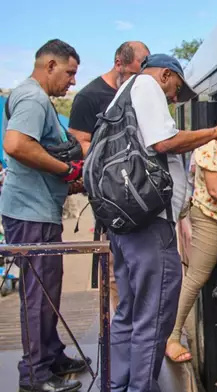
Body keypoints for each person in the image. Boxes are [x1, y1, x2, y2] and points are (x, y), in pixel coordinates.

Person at [103, 53, 217, 392]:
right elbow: (164, 142)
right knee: (154, 316)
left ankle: (120, 383)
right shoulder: (148, 86)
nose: (173, 99)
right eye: (175, 91)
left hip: (126, 225)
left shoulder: (123, 93)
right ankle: (141, 387)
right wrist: (213, 132)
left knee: (129, 310)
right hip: (151, 226)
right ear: (166, 75)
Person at [1, 39, 86, 392]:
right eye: (69, 73)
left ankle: (51, 355)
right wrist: (65, 169)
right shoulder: (34, 98)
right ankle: (34, 374)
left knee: (48, 289)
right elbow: (16, 145)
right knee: (38, 295)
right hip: (30, 213)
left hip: (39, 210)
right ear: (50, 65)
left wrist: (70, 179)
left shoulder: (37, 100)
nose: (72, 82)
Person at [67, 41, 149, 314]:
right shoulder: (89, 97)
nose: (143, 75)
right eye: (140, 67)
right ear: (119, 63)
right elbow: (78, 142)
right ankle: (119, 324)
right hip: (109, 197)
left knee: (140, 263)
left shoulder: (138, 93)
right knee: (114, 270)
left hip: (139, 196)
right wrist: (117, 158)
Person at [165, 138, 217, 363]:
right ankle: (172, 337)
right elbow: (216, 190)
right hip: (212, 218)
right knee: (196, 277)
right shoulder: (213, 144)